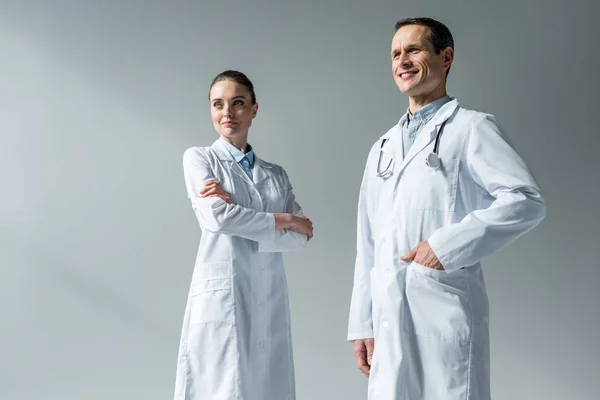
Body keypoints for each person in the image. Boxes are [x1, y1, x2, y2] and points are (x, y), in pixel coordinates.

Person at [347, 18, 546, 400]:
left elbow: (526, 200)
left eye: (414, 50)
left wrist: (446, 247)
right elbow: (367, 241)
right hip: (388, 315)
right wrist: (361, 323)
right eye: (395, 54)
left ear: (446, 57)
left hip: (442, 306)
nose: (402, 60)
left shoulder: (471, 128)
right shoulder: (382, 148)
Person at [174, 70, 313, 400]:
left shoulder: (275, 174)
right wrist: (285, 219)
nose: (227, 113)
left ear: (253, 109)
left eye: (238, 103)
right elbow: (216, 217)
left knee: (268, 383)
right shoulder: (200, 159)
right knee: (221, 385)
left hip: (268, 290)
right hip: (223, 293)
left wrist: (246, 220)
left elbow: (301, 237)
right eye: (218, 104)